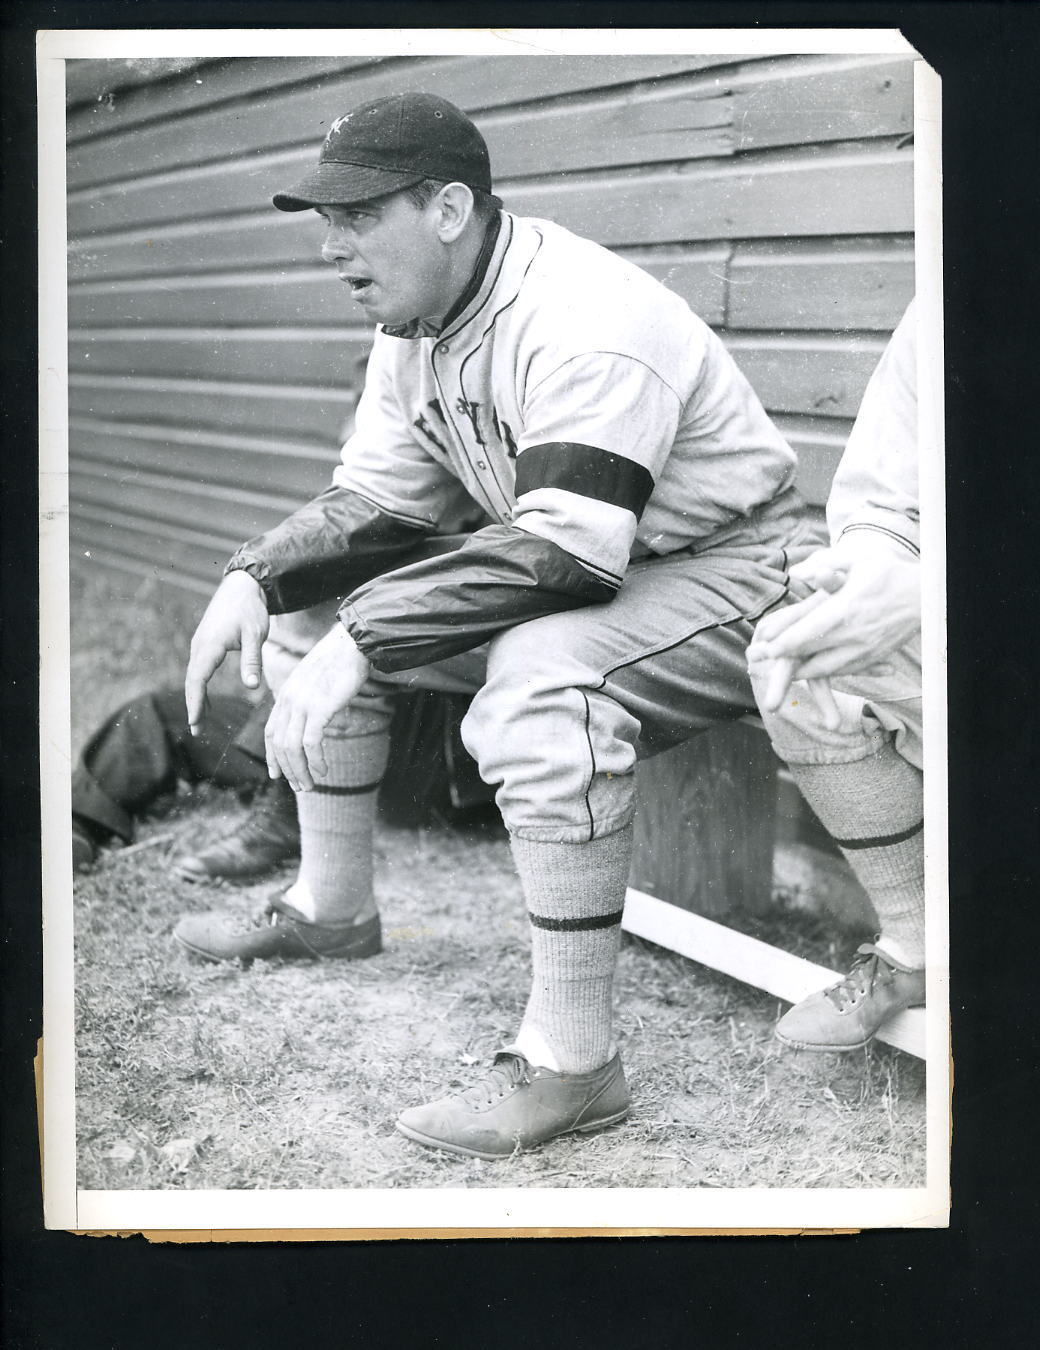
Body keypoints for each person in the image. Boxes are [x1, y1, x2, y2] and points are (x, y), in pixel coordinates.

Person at [177, 92, 820, 1159]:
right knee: (318, 611)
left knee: (535, 676)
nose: (331, 246)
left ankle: (575, 1064)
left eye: (357, 217)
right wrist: (258, 575)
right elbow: (381, 508)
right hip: (604, 563)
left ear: (447, 208)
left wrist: (367, 633)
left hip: (738, 569)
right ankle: (330, 907)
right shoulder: (416, 320)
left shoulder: (581, 315)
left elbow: (567, 552)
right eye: (322, 221)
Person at [747, 300, 925, 1051]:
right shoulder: (954, 303)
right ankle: (918, 948)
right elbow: (894, 499)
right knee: (800, 660)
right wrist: (869, 571)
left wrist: (933, 591)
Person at [71, 686, 299, 879]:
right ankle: (77, 826)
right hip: (280, 718)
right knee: (157, 713)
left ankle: (286, 817)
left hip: (320, 741)